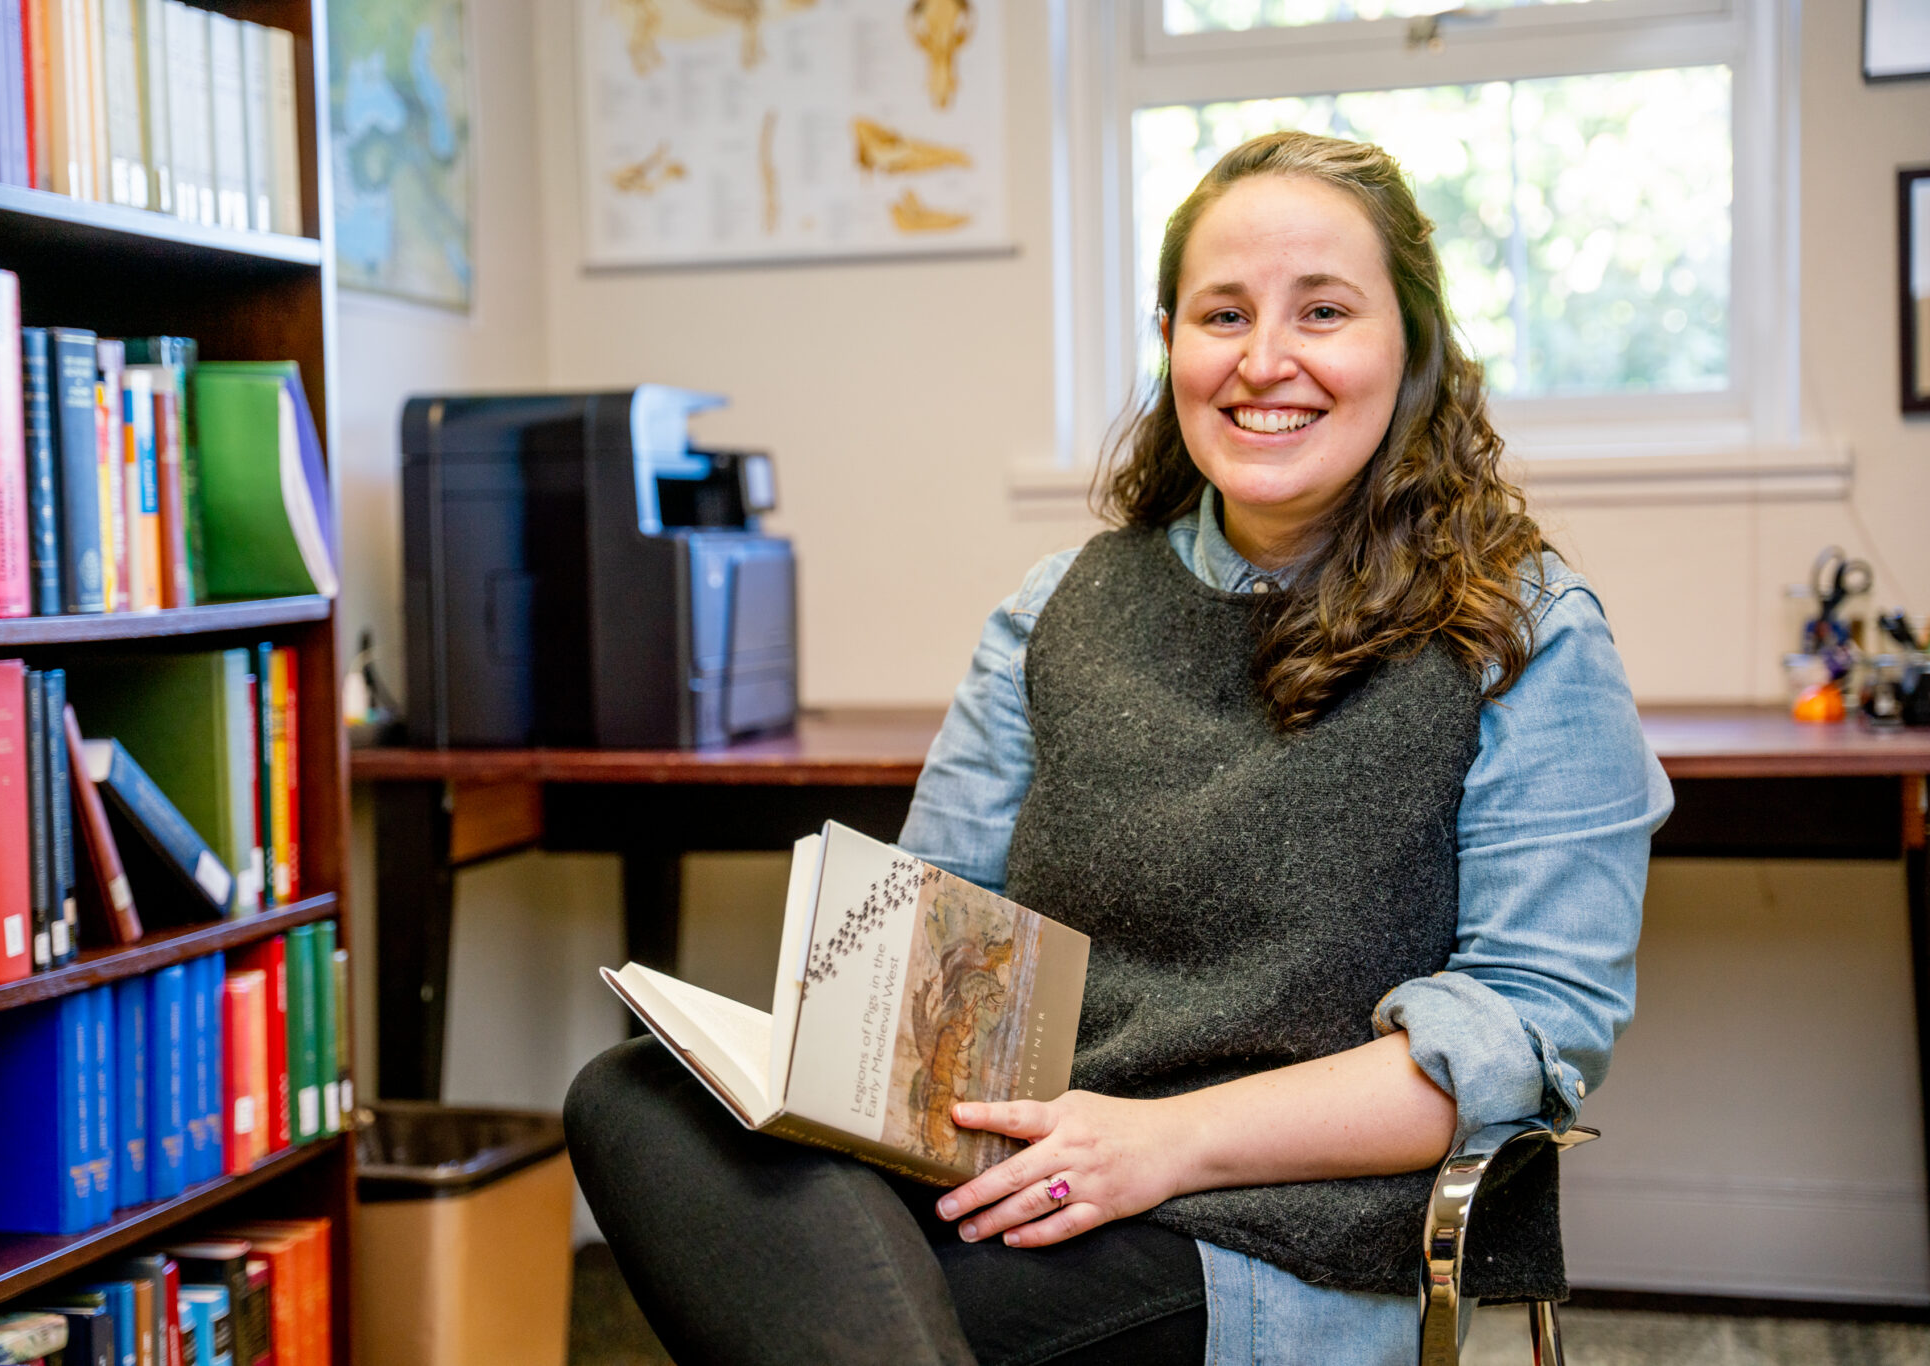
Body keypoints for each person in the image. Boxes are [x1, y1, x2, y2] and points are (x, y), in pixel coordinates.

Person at [565, 130, 1673, 1366]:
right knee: (639, 1094)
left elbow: (1525, 1028)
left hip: (1289, 1234)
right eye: (1220, 313)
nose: (1264, 360)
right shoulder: (1056, 608)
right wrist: (826, 1058)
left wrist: (1161, 1143)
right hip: (1033, 1176)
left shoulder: (1522, 631)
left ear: (1409, 346)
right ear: (1168, 344)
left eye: (1321, 310)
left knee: (837, 1324)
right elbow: (934, 929)